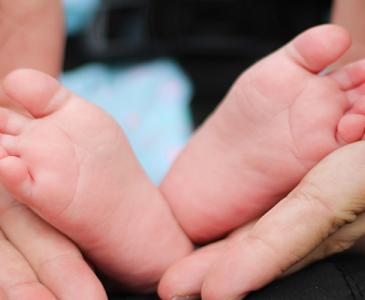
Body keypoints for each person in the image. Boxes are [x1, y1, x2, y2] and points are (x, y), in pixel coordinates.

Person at [2, 1, 365, 300]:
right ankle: (170, 214)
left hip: (91, 90)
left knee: (39, 140)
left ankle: (143, 228)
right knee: (332, 103)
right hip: (262, 69)